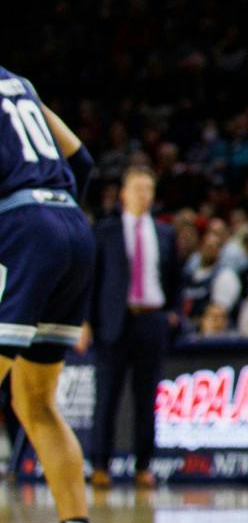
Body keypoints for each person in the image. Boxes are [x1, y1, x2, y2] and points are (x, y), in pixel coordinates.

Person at [0, 69, 103, 523]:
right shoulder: (18, 83)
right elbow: (82, 162)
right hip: (70, 229)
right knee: (34, 403)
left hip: (19, 231)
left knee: (32, 402)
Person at [85, 165, 181, 488]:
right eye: (137, 188)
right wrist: (85, 321)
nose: (144, 195)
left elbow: (175, 279)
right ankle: (100, 466)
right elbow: (92, 280)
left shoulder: (165, 233)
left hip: (151, 320)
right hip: (115, 322)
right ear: (124, 194)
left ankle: (144, 466)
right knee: (107, 397)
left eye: (148, 189)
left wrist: (173, 313)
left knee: (146, 399)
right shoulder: (105, 231)